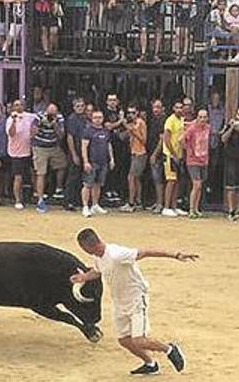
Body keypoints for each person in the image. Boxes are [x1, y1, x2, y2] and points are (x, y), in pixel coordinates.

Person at [70, 228, 192, 375]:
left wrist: (175, 255)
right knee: (124, 340)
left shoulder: (117, 254)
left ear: (90, 246)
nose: (84, 251)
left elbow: (146, 252)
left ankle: (170, 349)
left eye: (84, 248)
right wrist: (83, 278)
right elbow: (97, 271)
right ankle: (151, 364)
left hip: (136, 298)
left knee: (139, 340)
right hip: (119, 301)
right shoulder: (98, 257)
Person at [31, 102, 67, 212]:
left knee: (63, 164)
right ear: (46, 111)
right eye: (50, 113)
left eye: (54, 113)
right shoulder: (39, 116)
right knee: (41, 172)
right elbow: (32, 133)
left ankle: (58, 188)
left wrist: (54, 124)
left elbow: (61, 135)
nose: (51, 115)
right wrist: (40, 124)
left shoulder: (59, 118)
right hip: (40, 146)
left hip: (53, 145)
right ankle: (40, 200)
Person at [81, 110, 113, 218]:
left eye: (100, 117)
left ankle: (95, 205)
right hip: (92, 162)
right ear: (92, 118)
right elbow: (84, 147)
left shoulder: (105, 131)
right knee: (87, 184)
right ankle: (85, 206)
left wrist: (111, 159)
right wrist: (86, 161)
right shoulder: (88, 131)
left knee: (98, 184)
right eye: (95, 117)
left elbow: (109, 146)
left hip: (103, 162)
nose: (98, 119)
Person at [119, 104, 147, 213]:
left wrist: (130, 129)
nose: (131, 115)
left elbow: (144, 139)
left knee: (131, 177)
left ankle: (131, 203)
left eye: (133, 112)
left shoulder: (140, 123)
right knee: (136, 178)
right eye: (129, 113)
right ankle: (138, 201)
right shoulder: (133, 123)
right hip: (134, 153)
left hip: (140, 153)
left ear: (137, 113)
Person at [183, 108, 210, 219]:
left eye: (204, 117)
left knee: (200, 186)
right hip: (193, 160)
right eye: (200, 117)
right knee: (196, 184)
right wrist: (189, 150)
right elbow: (182, 139)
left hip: (204, 159)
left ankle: (196, 208)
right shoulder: (192, 128)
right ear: (197, 118)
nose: (203, 119)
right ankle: (191, 209)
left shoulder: (208, 128)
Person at [161, 101, 186, 217]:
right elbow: (166, 139)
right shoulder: (170, 120)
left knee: (177, 181)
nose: (179, 109)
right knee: (170, 181)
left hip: (179, 155)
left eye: (181, 107)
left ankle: (174, 207)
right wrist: (173, 154)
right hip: (169, 155)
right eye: (177, 107)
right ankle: (166, 207)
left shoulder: (181, 120)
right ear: (173, 108)